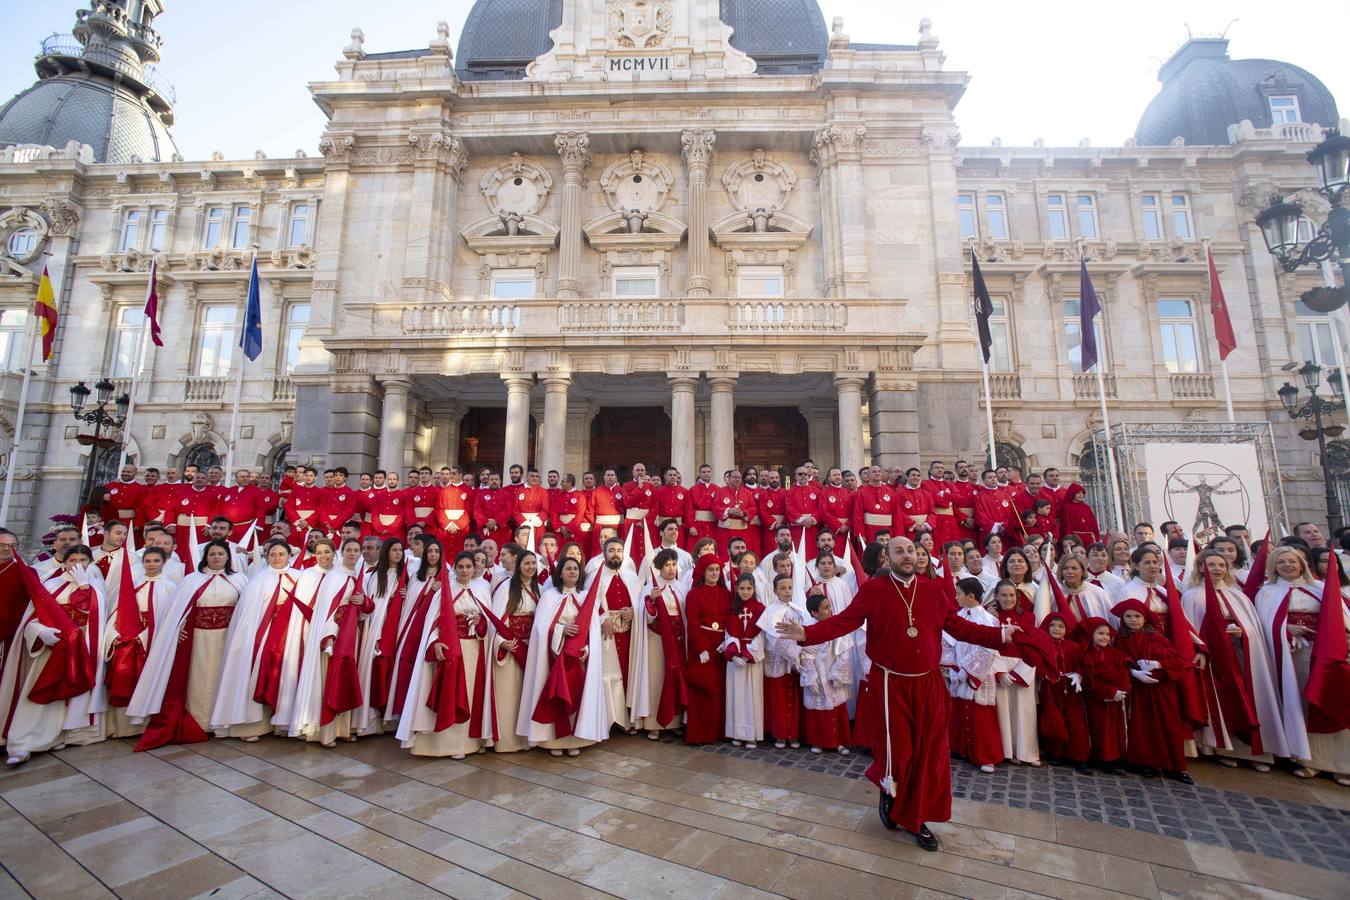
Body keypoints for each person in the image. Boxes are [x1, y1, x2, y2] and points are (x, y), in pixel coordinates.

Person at [775, 537, 1017, 850]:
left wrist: (999, 634)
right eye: (899, 551)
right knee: (900, 752)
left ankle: (917, 818)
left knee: (927, 754)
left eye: (912, 551)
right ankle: (889, 786)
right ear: (888, 558)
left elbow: (959, 628)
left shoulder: (933, 590)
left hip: (928, 683)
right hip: (890, 683)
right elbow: (846, 621)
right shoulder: (874, 590)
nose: (907, 555)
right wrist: (807, 633)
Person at [128, 540, 249, 749]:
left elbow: (247, 609)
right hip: (198, 637)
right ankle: (199, 721)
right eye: (212, 554)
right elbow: (178, 610)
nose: (216, 557)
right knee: (197, 679)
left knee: (225, 677)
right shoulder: (191, 580)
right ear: (205, 556)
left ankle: (223, 722)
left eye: (220, 553)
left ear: (228, 557)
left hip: (228, 637)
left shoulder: (239, 580)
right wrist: (179, 627)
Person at [1, 545, 109, 766]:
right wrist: (40, 631)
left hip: (83, 650)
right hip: (53, 648)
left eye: (83, 560)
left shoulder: (97, 587)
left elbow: (92, 613)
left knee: (78, 694)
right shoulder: (50, 585)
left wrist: (84, 586)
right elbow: (31, 618)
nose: (77, 564)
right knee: (42, 691)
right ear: (65, 562)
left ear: (90, 563)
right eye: (72, 560)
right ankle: (27, 739)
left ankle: (71, 734)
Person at [1181, 549, 1287, 771]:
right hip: (1212, 658)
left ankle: (1255, 752)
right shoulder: (1192, 596)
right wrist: (1199, 650)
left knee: (1248, 697)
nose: (1216, 569)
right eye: (1211, 565)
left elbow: (1254, 627)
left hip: (1240, 654)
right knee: (1219, 702)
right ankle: (1223, 748)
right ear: (1201, 567)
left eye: (1221, 565)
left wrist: (1243, 632)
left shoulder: (1238, 596)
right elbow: (1189, 629)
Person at [1256, 547, 1350, 785]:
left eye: (1292, 561)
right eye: (1281, 562)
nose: (1287, 565)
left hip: (1322, 654)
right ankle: (1309, 761)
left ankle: (1341, 764)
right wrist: (1285, 628)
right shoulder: (1267, 592)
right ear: (1274, 567)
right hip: (1290, 657)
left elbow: (1341, 619)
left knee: (1330, 700)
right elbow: (1261, 625)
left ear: (1302, 564)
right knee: (1301, 705)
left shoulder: (1319, 589)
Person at [398, 550, 489, 758]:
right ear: (454, 569)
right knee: (448, 692)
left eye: (469, 567)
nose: (465, 571)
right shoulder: (443, 592)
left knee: (469, 693)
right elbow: (433, 623)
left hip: (473, 650)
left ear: (474, 569)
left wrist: (480, 623)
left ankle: (467, 744)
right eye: (461, 567)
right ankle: (440, 745)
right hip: (449, 649)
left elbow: (488, 623)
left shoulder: (481, 591)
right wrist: (435, 643)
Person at [209, 539, 298, 742]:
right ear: (267, 556)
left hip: (289, 635)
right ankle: (251, 726)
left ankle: (283, 723)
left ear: (289, 556)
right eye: (273, 554)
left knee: (286, 675)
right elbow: (248, 614)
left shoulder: (299, 577)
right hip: (263, 636)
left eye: (281, 554)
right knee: (256, 675)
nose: (277, 558)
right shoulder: (258, 579)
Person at [518, 557, 607, 756]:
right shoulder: (549, 596)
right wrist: (561, 629)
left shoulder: (585, 597)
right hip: (553, 655)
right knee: (555, 694)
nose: (573, 572)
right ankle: (553, 743)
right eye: (568, 568)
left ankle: (575, 739)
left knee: (576, 694)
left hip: (578, 657)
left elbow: (592, 629)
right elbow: (540, 628)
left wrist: (584, 649)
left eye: (576, 569)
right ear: (560, 573)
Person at [290, 538, 374, 745]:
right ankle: (325, 733)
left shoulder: (357, 576)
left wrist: (364, 602)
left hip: (351, 634)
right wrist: (329, 636)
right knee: (330, 679)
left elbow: (365, 609)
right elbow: (327, 610)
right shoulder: (334, 577)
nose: (353, 553)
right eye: (349, 550)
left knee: (344, 679)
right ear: (341, 553)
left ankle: (342, 729)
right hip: (335, 635)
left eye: (357, 550)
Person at [1111, 598, 1194, 783]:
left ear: (1145, 618)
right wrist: (1133, 672)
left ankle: (1175, 766)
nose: (1133, 620)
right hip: (1139, 690)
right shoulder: (1120, 639)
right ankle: (1146, 763)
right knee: (1142, 727)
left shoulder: (1156, 637)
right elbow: (1118, 660)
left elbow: (1178, 660)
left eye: (1137, 616)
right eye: (1128, 616)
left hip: (1161, 689)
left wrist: (1159, 664)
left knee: (1168, 725)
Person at [105, 545, 177, 739]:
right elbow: (118, 611)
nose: (151, 564)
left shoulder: (170, 587)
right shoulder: (134, 584)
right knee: (125, 680)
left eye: (156, 561)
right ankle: (123, 727)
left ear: (164, 562)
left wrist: (145, 636)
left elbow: (169, 618)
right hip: (129, 643)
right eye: (147, 561)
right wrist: (116, 633)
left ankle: (145, 723)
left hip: (152, 643)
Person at [943, 576, 1003, 773]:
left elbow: (988, 648)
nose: (955, 597)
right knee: (958, 711)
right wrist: (954, 667)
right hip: (959, 671)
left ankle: (985, 755)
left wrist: (968, 670)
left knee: (980, 717)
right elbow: (948, 642)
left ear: (970, 596)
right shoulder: (958, 615)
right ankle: (961, 749)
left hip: (978, 674)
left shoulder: (987, 619)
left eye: (958, 593)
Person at [481, 550, 539, 753]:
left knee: (527, 693)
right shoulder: (506, 588)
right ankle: (507, 741)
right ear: (519, 565)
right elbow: (495, 619)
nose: (531, 567)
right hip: (511, 647)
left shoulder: (538, 589)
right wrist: (501, 642)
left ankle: (527, 739)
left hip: (531, 648)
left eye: (533, 563)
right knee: (509, 694)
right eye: (527, 563)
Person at [386, 538, 447, 726]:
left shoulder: (447, 577)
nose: (433, 555)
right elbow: (409, 604)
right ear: (425, 553)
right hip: (411, 627)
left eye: (437, 551)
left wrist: (437, 589)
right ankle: (402, 711)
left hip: (430, 629)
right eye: (430, 551)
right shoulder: (415, 577)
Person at [632, 549, 689, 738]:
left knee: (674, 678)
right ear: (659, 567)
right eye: (667, 565)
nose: (671, 569)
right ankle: (654, 723)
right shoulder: (651, 589)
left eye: (674, 564)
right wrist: (653, 601)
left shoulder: (682, 588)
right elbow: (646, 618)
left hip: (677, 641)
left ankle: (674, 720)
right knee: (656, 679)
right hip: (656, 641)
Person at [987, 579, 1040, 766]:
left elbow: (1033, 646)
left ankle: (1027, 752)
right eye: (1003, 595)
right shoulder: (990, 617)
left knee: (1024, 711)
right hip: (1000, 665)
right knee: (1003, 711)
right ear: (996, 597)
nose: (1008, 599)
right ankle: (1007, 751)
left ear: (1017, 597)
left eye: (1011, 595)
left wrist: (1022, 671)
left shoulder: (1028, 617)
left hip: (1023, 666)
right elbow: (988, 646)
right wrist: (999, 672)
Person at [684, 554, 730, 745]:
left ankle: (719, 731)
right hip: (701, 645)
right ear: (703, 572)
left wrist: (728, 642)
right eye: (710, 570)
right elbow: (693, 624)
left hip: (721, 644)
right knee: (703, 689)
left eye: (717, 570)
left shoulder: (727, 594)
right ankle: (701, 733)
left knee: (720, 690)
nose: (714, 573)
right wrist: (702, 648)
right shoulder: (694, 594)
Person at [800, 587, 853, 755]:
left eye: (829, 606)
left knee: (837, 708)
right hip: (817, 671)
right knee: (818, 710)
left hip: (833, 670)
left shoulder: (837, 625)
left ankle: (839, 741)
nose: (829, 610)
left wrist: (838, 674)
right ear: (814, 613)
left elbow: (844, 650)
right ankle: (818, 741)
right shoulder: (807, 629)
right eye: (825, 607)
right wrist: (811, 677)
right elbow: (804, 655)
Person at [1037, 611, 1091, 772]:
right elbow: (1036, 663)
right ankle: (1056, 753)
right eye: (1052, 625)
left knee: (1075, 721)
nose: (1056, 629)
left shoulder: (1073, 647)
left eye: (1061, 626)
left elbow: (1082, 664)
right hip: (1051, 687)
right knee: (1054, 718)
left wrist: (1078, 674)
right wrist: (1043, 673)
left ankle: (1079, 756)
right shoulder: (1042, 645)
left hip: (1071, 689)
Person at [759, 573, 807, 750]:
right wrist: (795, 655)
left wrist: (801, 654)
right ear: (774, 591)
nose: (787, 591)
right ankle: (780, 734)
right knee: (779, 700)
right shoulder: (771, 611)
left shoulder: (797, 609)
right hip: (779, 662)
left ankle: (793, 734)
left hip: (794, 664)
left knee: (793, 699)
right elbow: (774, 638)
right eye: (783, 588)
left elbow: (803, 633)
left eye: (789, 588)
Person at [1079, 617, 1130, 774]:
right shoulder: (1087, 656)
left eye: (1107, 634)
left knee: (1116, 730)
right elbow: (1090, 678)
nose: (1105, 637)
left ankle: (1115, 758)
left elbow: (1123, 675)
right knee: (1098, 729)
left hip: (1116, 699)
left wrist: (1119, 692)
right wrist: (1108, 692)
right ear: (1092, 635)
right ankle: (1100, 759)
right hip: (1097, 700)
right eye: (1100, 633)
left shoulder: (1117, 655)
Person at [722, 573, 766, 748]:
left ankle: (751, 734)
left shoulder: (761, 609)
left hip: (752, 658)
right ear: (736, 589)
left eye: (749, 588)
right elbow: (728, 634)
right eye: (742, 588)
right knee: (736, 695)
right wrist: (733, 654)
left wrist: (748, 654)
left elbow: (762, 635)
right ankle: (737, 733)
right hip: (735, 660)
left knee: (752, 696)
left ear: (754, 589)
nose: (745, 592)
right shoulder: (731, 609)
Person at [1056, 555, 1113, 636]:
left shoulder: (1098, 592)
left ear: (1083, 571)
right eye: (1065, 568)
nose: (1069, 571)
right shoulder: (1056, 594)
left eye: (1074, 568)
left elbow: (1110, 619)